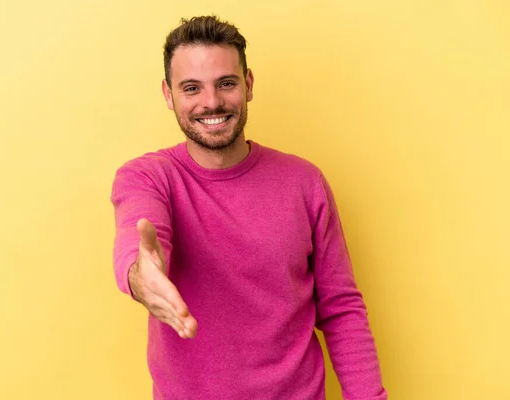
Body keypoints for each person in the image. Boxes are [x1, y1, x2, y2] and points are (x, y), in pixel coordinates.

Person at [111, 15, 387, 400]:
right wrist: (143, 275)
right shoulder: (148, 177)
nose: (212, 102)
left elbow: (341, 310)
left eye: (226, 83)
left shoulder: (304, 182)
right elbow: (138, 240)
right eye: (191, 88)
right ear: (168, 94)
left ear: (249, 84)